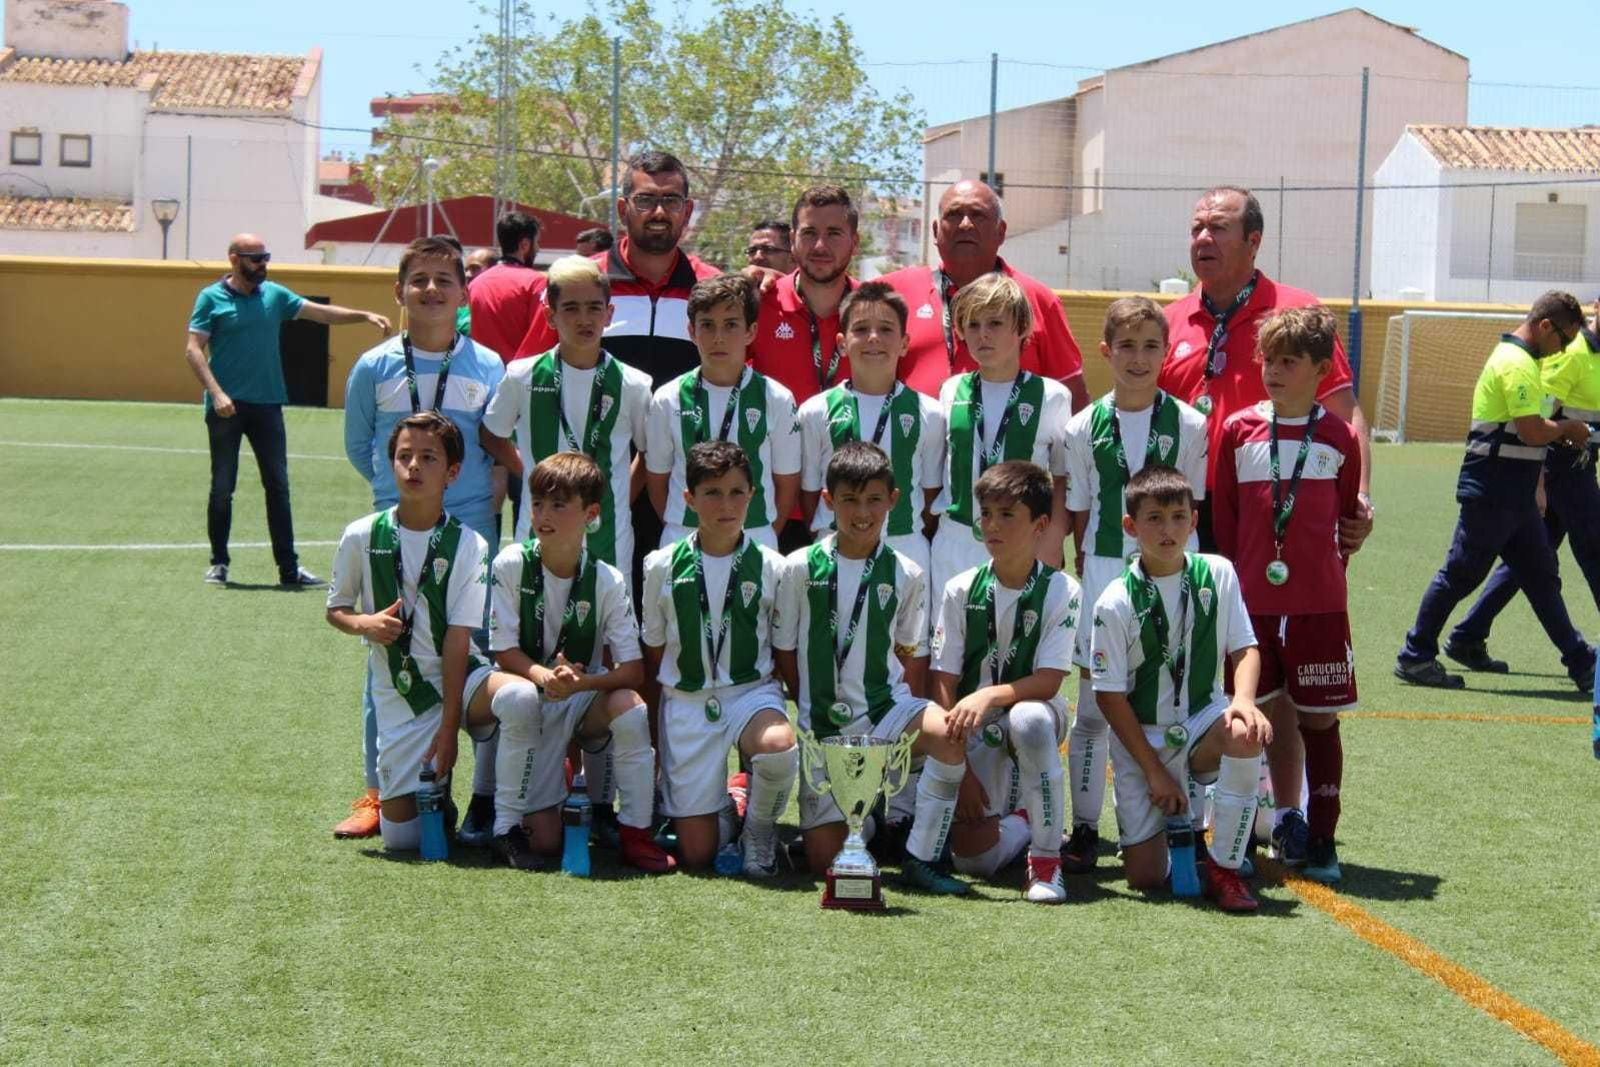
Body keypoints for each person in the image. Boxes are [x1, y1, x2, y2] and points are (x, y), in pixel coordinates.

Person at [337, 237, 506, 842]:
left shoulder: (488, 366)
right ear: (399, 292)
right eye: (419, 280)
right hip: (398, 530)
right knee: (388, 654)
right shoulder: (374, 366)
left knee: (475, 654)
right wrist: (399, 494)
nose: (431, 290)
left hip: (470, 532)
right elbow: (362, 446)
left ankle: (482, 794)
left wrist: (480, 501)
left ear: (464, 293)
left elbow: (498, 444)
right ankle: (379, 791)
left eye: (444, 280)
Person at [517, 151, 721, 591]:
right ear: (622, 207)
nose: (660, 212)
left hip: (682, 492)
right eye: (647, 200)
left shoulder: (711, 287)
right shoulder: (581, 286)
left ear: (688, 210)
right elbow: (531, 376)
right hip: (594, 499)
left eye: (672, 200)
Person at [772, 442, 970, 895]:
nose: (862, 512)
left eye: (874, 500)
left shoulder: (908, 572)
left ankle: (922, 858)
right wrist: (818, 702)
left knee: (949, 736)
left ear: (893, 502)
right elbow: (785, 652)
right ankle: (870, 820)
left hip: (885, 708)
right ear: (828, 502)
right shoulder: (798, 568)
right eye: (849, 500)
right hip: (824, 723)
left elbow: (906, 653)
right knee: (824, 863)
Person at [1211, 306, 1362, 884]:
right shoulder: (1239, 430)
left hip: (1320, 608)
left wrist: (1317, 575)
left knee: (1320, 723)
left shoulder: (1337, 437)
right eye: (1267, 360)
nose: (1273, 371)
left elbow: (1345, 523)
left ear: (1321, 370)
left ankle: (1321, 838)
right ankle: (1240, 835)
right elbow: (1225, 522)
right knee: (1244, 720)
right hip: (1250, 607)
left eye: (1288, 362)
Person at [324, 412, 517, 852]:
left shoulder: (471, 544)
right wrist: (364, 624)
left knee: (519, 699)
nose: (413, 466)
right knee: (401, 842)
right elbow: (335, 609)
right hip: (400, 692)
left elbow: (458, 640)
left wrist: (448, 730)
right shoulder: (361, 534)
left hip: (459, 680)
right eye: (404, 456)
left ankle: (493, 811)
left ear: (452, 473)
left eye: (428, 458)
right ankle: (438, 800)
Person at [1060, 296, 1207, 874]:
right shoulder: (1081, 426)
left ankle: (1183, 820)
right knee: (1094, 707)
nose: (1139, 358)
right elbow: (1078, 510)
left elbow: (1193, 505)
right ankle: (1085, 829)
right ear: (1106, 351)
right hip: (1102, 575)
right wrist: (1087, 573)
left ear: (1167, 352)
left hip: (1172, 575)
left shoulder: (1190, 423)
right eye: (1127, 345)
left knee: (1172, 695)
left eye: (1151, 346)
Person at [1089, 464, 1270, 913]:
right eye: (1154, 518)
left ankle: (1225, 867)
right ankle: (1186, 833)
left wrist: (1244, 701)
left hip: (1202, 720)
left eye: (1178, 517)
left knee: (1244, 731)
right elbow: (1109, 697)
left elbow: (1245, 647)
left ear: (1193, 519)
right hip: (1143, 738)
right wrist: (1154, 770)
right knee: (1145, 878)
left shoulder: (1219, 573)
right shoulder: (1114, 601)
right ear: (1131, 526)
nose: (1168, 529)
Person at [484, 452, 676, 873]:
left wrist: (580, 683)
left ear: (591, 514)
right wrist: (543, 675)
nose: (543, 515)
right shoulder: (510, 563)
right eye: (537, 503)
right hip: (522, 689)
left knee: (631, 705)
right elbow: (502, 651)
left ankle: (635, 831)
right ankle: (501, 820)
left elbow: (634, 671)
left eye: (558, 505)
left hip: (575, 698)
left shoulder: (608, 579)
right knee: (548, 841)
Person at [1396, 291, 1596, 692]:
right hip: (1492, 486)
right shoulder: (1515, 363)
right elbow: (1533, 430)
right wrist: (1569, 430)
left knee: (1541, 578)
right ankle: (1415, 655)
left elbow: (1530, 435)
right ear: (1545, 327)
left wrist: (1537, 484)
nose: (1564, 348)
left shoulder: (1526, 361)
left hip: (1515, 490)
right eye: (1564, 338)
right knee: (1461, 573)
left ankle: (1583, 664)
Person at [1158, 186, 1373, 556]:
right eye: (1197, 229)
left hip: (1273, 498)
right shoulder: (1166, 323)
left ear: (1253, 241)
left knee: (1269, 611)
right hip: (1181, 507)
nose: (1203, 239)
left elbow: (1344, 409)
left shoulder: (1297, 312)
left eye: (1219, 228)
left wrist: (1360, 494)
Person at [185, 231, 390, 587]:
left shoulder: (275, 295)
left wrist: (363, 315)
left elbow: (320, 313)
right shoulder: (210, 298)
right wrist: (217, 394)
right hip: (225, 410)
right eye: (256, 258)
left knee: (278, 487)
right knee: (222, 487)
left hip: (267, 406)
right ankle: (219, 563)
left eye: (266, 257)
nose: (264, 264)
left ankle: (289, 569)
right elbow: (193, 350)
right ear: (234, 259)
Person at [641, 441, 798, 875]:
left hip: (750, 693)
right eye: (711, 493)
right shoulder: (660, 565)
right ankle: (736, 803)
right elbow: (655, 650)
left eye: (735, 492)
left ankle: (760, 829)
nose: (725, 504)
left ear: (753, 495)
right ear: (689, 499)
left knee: (779, 748)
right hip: (688, 699)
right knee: (696, 855)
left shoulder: (773, 566)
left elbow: (782, 648)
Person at [930, 461, 1082, 904]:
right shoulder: (960, 589)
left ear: (1040, 525)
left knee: (1030, 720)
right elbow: (943, 681)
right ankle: (1025, 819)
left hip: (1031, 708)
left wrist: (988, 694)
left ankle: (1047, 860)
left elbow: (1051, 681)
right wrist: (958, 767)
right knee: (973, 862)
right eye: (987, 515)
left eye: (1007, 515)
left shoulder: (1062, 589)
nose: (992, 525)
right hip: (969, 725)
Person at [481, 256, 652, 571]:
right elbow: (492, 434)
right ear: (550, 315)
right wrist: (530, 473)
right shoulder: (523, 375)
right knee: (535, 614)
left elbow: (647, 452)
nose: (584, 318)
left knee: (605, 616)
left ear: (609, 314)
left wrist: (616, 496)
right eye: (571, 308)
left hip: (608, 534)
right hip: (538, 528)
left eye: (594, 307)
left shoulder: (634, 383)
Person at [795, 282, 943, 632]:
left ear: (905, 342)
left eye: (886, 330)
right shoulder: (814, 411)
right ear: (843, 343)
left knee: (909, 650)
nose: (874, 338)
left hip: (905, 546)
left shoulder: (931, 413)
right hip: (834, 548)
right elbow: (810, 492)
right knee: (828, 648)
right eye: (861, 329)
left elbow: (930, 494)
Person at [928, 273, 1072, 607]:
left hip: (1022, 542)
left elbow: (1065, 477)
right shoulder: (951, 390)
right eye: (973, 324)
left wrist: (1052, 538)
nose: (983, 335)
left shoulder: (1052, 396)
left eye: (995, 323)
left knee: (1016, 648)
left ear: (1022, 328)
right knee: (952, 652)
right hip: (957, 538)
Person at [877, 180, 1087, 408]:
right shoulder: (892, 294)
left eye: (978, 215)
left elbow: (1073, 399)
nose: (965, 224)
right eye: (954, 215)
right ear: (936, 231)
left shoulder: (1039, 300)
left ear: (1001, 232)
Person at [645, 275, 800, 550]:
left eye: (730, 325)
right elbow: (657, 480)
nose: (718, 338)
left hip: (755, 538)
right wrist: (685, 524)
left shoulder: (776, 398)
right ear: (692, 331)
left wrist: (761, 531)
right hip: (683, 537)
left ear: (751, 331)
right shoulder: (667, 398)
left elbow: (786, 483)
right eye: (707, 325)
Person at [748, 187, 862, 555]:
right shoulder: (758, 302)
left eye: (834, 234)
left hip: (848, 508)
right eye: (809, 233)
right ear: (793, 240)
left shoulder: (873, 313)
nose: (820, 246)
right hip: (768, 507)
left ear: (854, 242)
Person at [468, 212, 546, 366]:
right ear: (524, 245)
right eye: (537, 242)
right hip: (519, 381)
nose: (538, 248)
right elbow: (540, 340)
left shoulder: (475, 284)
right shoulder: (537, 282)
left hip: (479, 375)